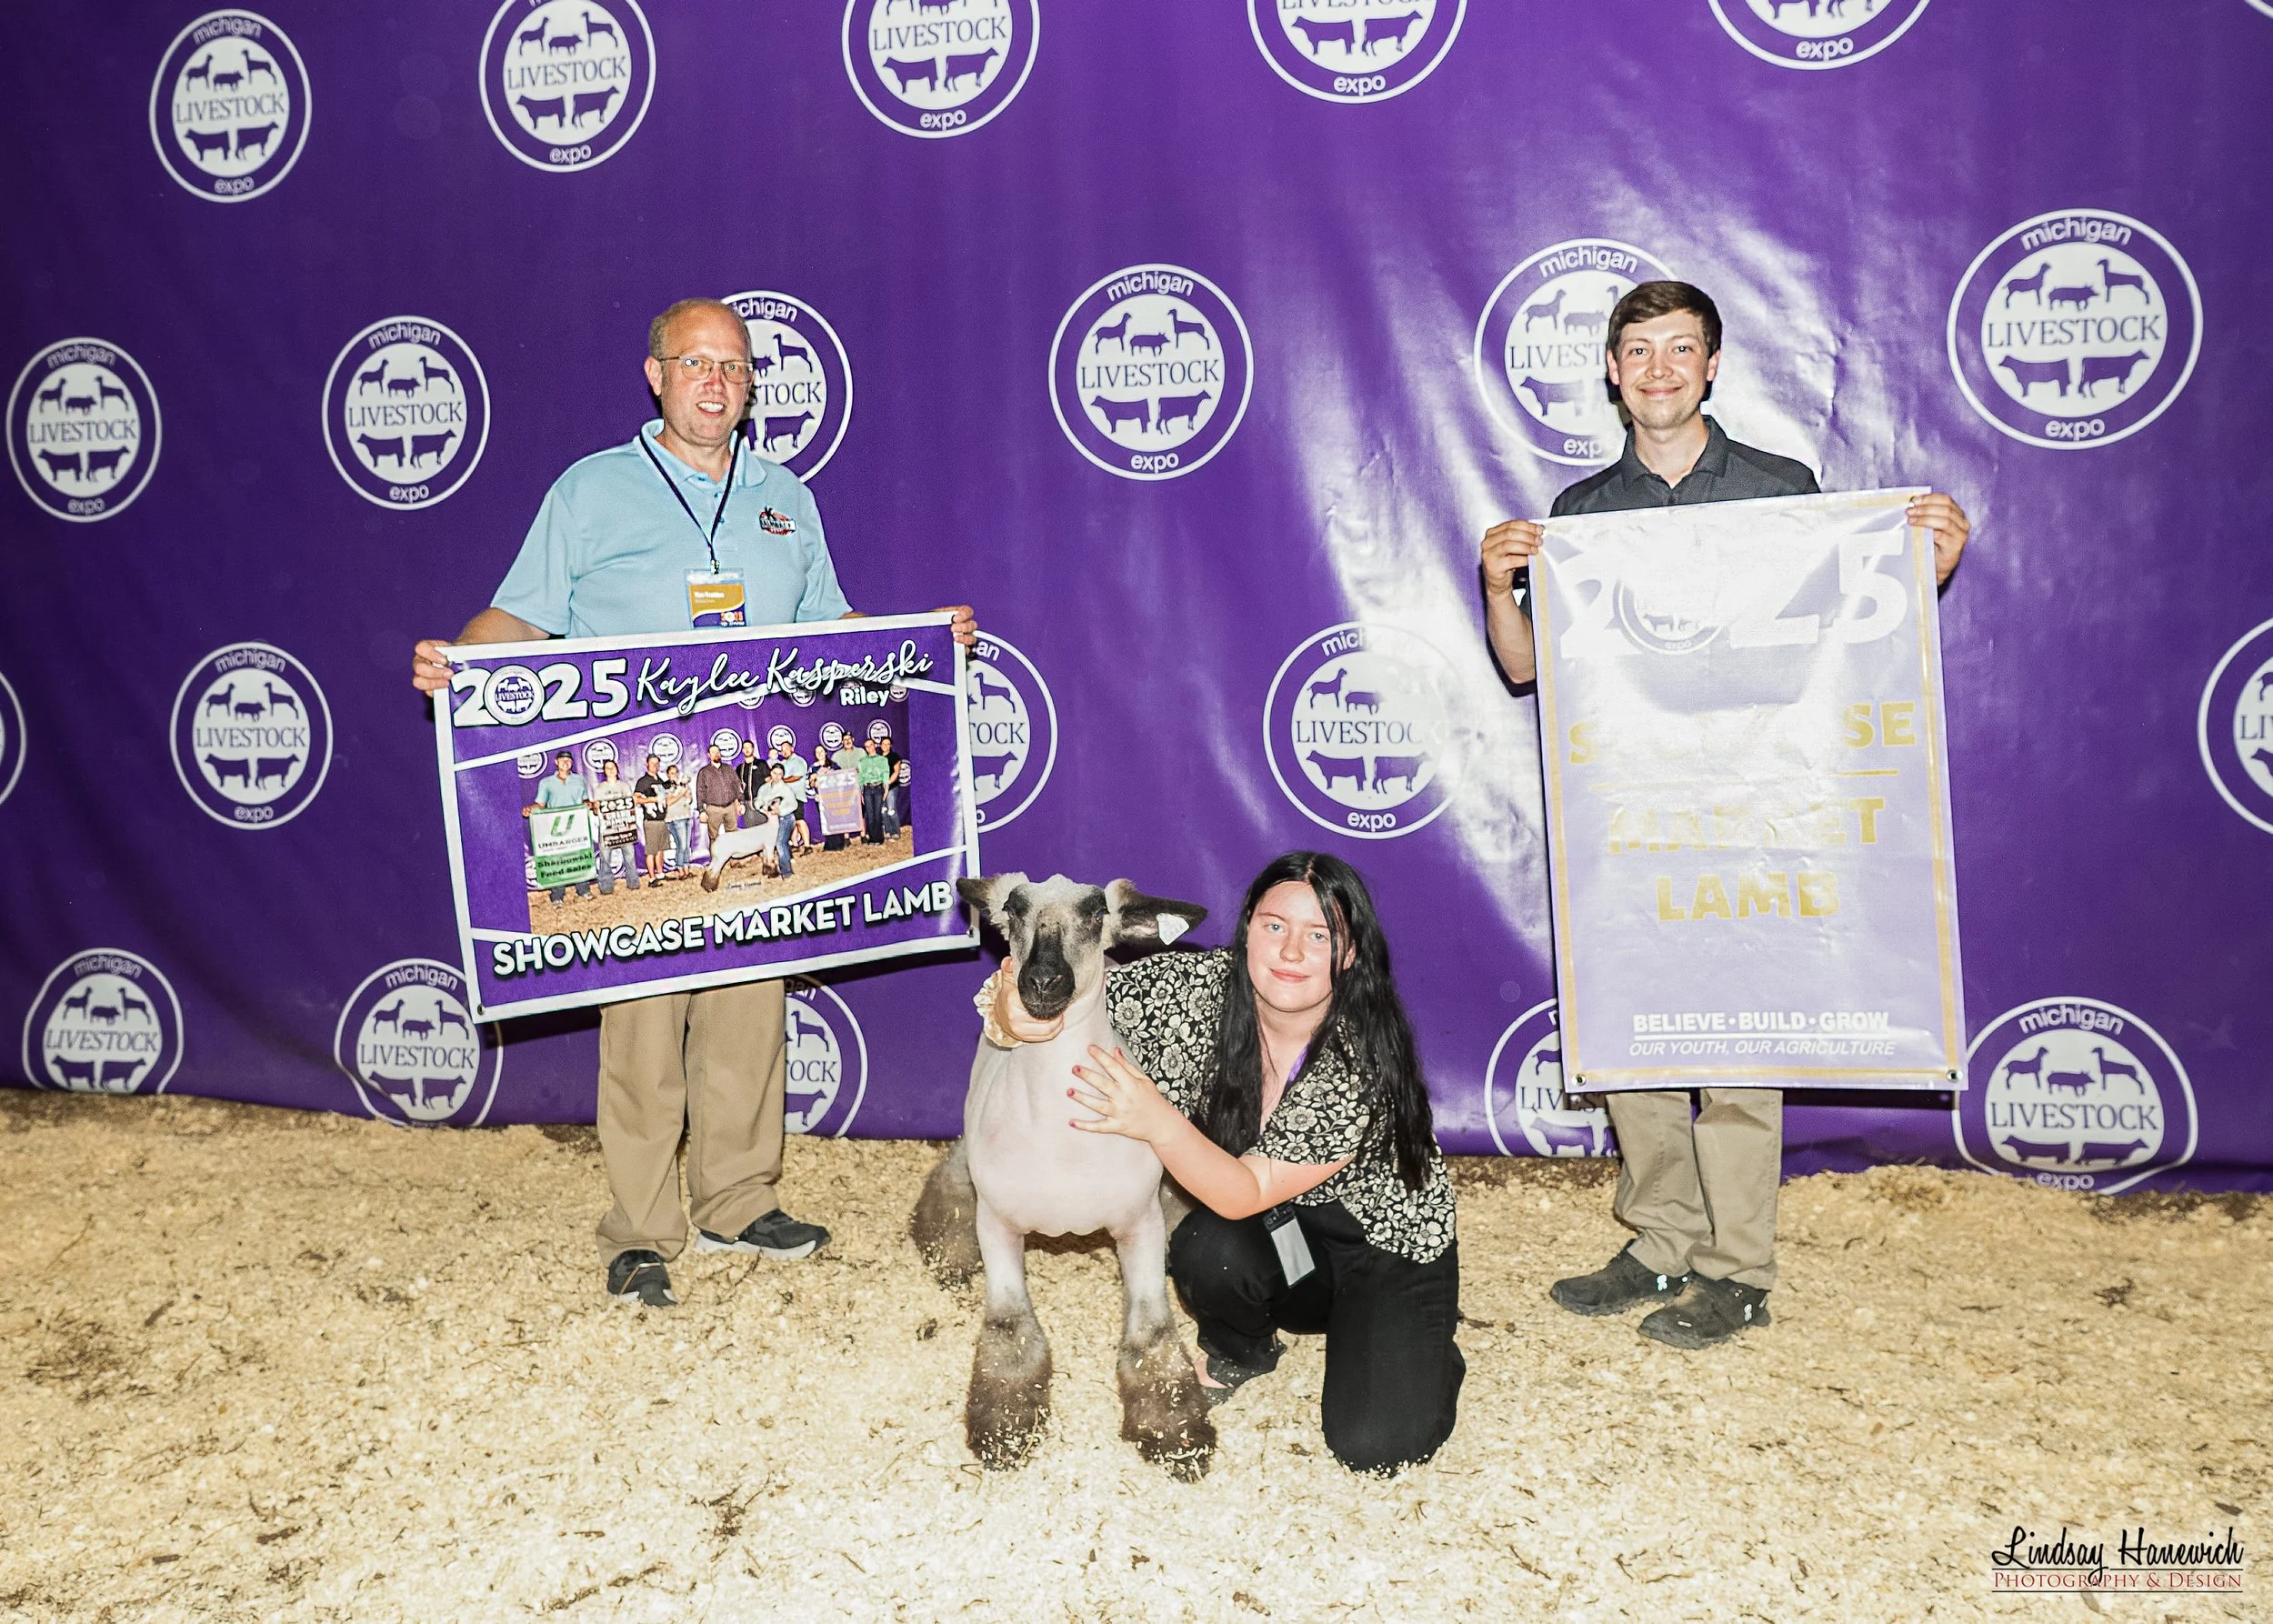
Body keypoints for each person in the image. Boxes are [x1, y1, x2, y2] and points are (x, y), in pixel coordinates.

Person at [412, 296, 976, 1309]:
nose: (716, 380)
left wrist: (920, 642)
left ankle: (736, 1198)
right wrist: (457, 659)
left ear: (750, 384)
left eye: (734, 366)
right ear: (656, 375)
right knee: (641, 1020)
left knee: (750, 1004)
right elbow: (523, 613)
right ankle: (638, 1228)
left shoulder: (785, 495)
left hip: (753, 783)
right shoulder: (592, 491)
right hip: (644, 784)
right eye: (696, 362)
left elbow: (829, 625)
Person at [1477, 280, 1972, 1349]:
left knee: (1741, 1042)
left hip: (1753, 810)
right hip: (1631, 817)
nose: (1658, 370)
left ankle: (1737, 1269)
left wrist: (1922, 567)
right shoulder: (1578, 519)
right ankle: (1661, 1241)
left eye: (1680, 350)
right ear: (1611, 371)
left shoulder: (1780, 488)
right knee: (1639, 1041)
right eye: (1638, 351)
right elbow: (1529, 673)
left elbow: (1848, 634)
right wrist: (1495, 588)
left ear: (1711, 367)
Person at [986, 852, 1462, 1475]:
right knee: (1206, 1251)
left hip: (1377, 1244)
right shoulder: (1198, 990)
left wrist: (1155, 1118)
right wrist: (1010, 1015)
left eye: (1319, 935)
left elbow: (1242, 1191)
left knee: (1375, 1446)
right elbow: (1063, 992)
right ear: (1248, 932)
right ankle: (1246, 1345)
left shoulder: (1358, 1060)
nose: (1291, 951)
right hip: (1284, 1232)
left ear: (1349, 955)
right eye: (1274, 927)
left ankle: (1416, 1342)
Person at [524, 750, 593, 907]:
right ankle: (557, 896)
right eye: (562, 760)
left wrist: (590, 804)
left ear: (572, 763)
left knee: (579, 856)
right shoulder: (546, 783)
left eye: (568, 760)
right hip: (555, 827)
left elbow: (585, 800)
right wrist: (530, 809)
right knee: (557, 859)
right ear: (556, 762)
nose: (565, 762)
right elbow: (541, 805)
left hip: (577, 825)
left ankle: (583, 890)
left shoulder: (580, 780)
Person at [590, 757, 643, 895]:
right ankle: (606, 887)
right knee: (605, 858)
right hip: (607, 830)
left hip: (625, 827)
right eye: (607, 768)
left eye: (612, 767)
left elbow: (630, 807)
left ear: (617, 769)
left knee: (630, 856)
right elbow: (596, 811)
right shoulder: (599, 789)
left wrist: (634, 801)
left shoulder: (624, 786)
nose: (611, 770)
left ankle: (633, 883)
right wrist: (595, 808)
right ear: (604, 771)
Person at [750, 763, 802, 878]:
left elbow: (794, 804)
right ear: (771, 773)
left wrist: (780, 811)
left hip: (786, 818)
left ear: (783, 775)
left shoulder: (785, 789)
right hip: (770, 820)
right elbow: (758, 801)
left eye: (780, 774)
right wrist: (762, 808)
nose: (777, 776)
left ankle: (787, 872)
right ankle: (770, 869)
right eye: (774, 773)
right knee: (771, 844)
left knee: (780, 843)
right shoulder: (764, 788)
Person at [696, 741, 743, 849]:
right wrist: (701, 811)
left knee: (732, 834)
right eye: (713, 752)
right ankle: (716, 862)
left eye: (718, 751)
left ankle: (734, 860)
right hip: (713, 809)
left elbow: (737, 785)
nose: (716, 754)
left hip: (730, 807)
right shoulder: (704, 772)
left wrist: (741, 803)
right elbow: (700, 792)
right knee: (714, 837)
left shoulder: (729, 768)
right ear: (709, 755)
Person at [634, 753, 668, 884]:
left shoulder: (659, 780)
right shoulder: (643, 781)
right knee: (651, 850)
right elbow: (635, 798)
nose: (655, 766)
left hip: (661, 819)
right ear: (647, 764)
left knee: (660, 849)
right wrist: (651, 799)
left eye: (657, 763)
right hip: (651, 820)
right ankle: (651, 878)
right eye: (652, 763)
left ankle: (660, 874)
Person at [856, 737, 891, 844]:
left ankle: (879, 839)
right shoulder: (862, 762)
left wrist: (886, 790)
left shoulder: (883, 760)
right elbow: (860, 778)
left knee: (877, 814)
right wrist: (860, 793)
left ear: (875, 746)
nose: (869, 748)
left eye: (871, 745)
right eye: (867, 746)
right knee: (870, 815)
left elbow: (886, 775)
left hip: (878, 787)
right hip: (867, 789)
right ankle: (872, 839)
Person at [662, 765, 694, 878]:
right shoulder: (667, 786)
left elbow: (690, 799)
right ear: (668, 775)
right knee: (682, 845)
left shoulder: (682, 785)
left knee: (686, 845)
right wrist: (682, 794)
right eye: (672, 773)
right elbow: (668, 802)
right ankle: (680, 868)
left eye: (676, 773)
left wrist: (688, 795)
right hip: (675, 818)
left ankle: (686, 868)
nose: (675, 775)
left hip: (686, 815)